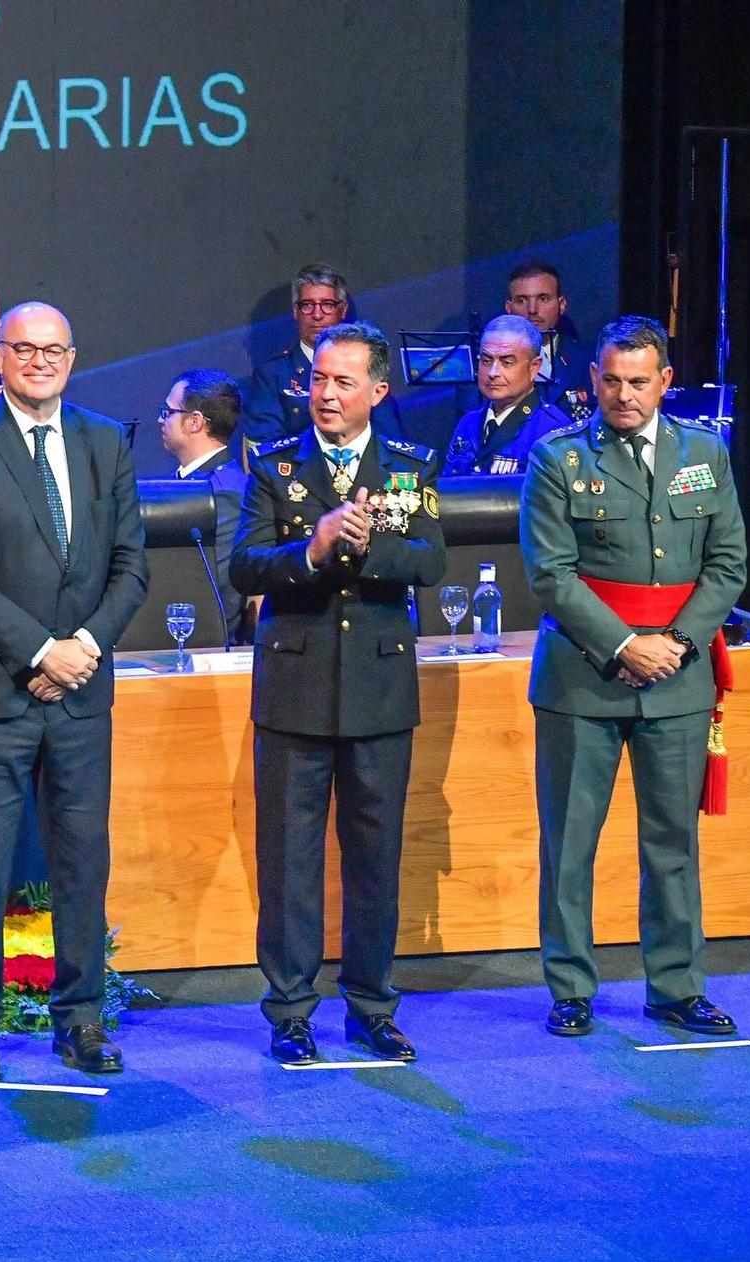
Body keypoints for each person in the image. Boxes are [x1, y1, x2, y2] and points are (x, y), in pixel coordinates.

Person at [0, 301, 149, 1085]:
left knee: (83, 861)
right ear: (0, 357)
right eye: (25, 349)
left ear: (73, 356)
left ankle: (82, 1018)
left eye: (55, 350)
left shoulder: (101, 439)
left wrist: (82, 647)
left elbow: (131, 565)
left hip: (83, 692)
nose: (41, 361)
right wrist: (38, 650)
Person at [520, 316, 746, 1039]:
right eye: (611, 379)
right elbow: (550, 576)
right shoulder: (557, 457)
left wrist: (676, 642)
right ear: (593, 379)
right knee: (570, 844)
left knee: (672, 843)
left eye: (639, 381)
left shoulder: (706, 453)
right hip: (583, 677)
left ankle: (677, 987)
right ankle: (571, 988)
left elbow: (728, 564)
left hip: (678, 677)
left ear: (665, 382)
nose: (624, 393)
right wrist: (624, 644)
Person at [230, 322, 444, 1066]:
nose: (325, 393)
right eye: (319, 379)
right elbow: (246, 564)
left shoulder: (409, 465)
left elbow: (430, 559)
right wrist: (313, 549)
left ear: (378, 391)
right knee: (290, 859)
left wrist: (364, 545)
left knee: (376, 858)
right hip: (295, 685)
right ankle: (290, 1010)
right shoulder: (275, 466)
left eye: (343, 381)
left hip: (381, 688)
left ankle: (372, 1007)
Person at [244, 265, 405, 446]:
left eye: (327, 305)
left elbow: (390, 440)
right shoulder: (274, 373)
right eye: (307, 305)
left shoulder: (365, 367)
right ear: (296, 311)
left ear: (343, 310)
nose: (317, 315)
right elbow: (266, 448)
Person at [159, 368, 248, 644]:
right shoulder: (192, 483)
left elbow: (217, 589)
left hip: (197, 646)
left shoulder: (223, 492)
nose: (160, 419)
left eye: (167, 411)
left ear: (195, 422)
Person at [444, 315, 574, 477]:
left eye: (507, 363)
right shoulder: (468, 422)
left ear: (534, 368)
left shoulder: (553, 430)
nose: (493, 373)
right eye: (486, 361)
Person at [506, 261, 593, 418]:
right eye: (522, 300)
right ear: (509, 308)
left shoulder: (588, 360)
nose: (532, 310)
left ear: (561, 305)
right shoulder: (488, 367)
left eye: (543, 298)